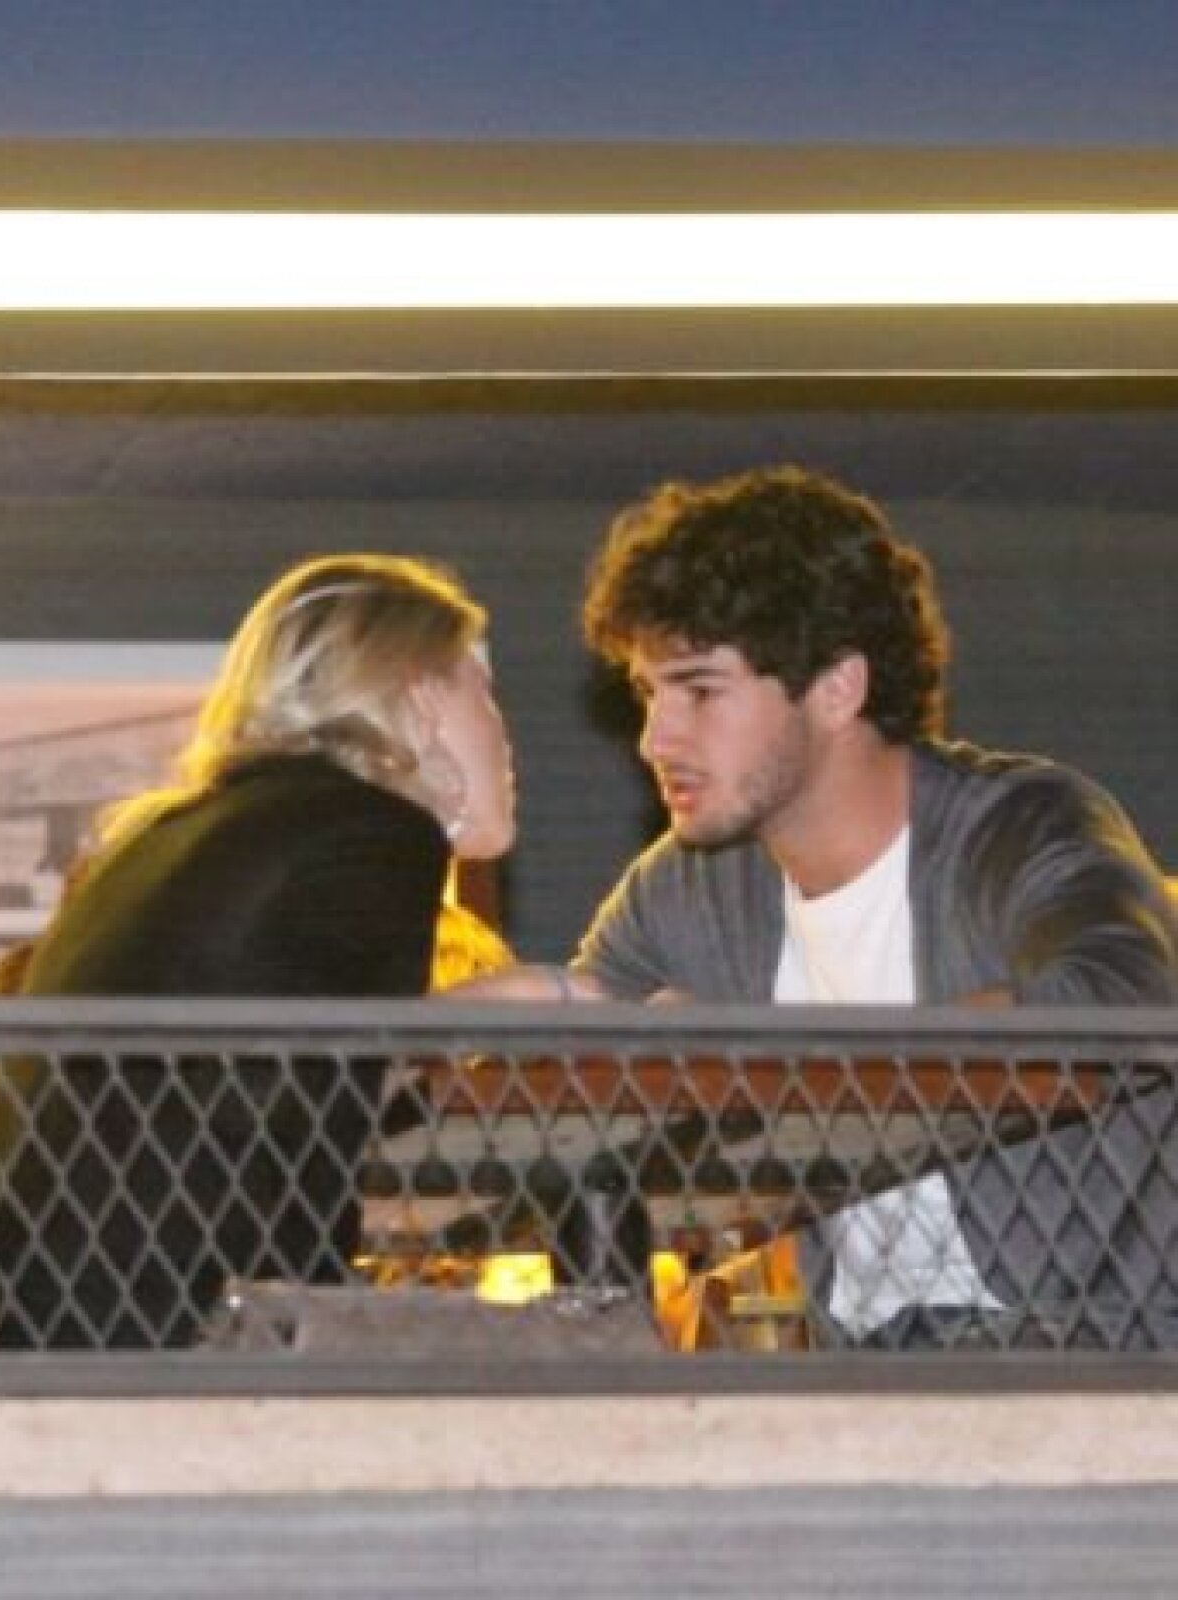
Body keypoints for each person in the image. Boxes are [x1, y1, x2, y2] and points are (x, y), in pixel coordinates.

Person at [462, 464, 1178, 1348]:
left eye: (700, 691)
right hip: (874, 1363)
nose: (655, 738)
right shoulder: (690, 885)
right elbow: (588, 1043)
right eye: (648, 694)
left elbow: (1124, 1003)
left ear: (839, 687)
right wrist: (469, 1020)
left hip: (1101, 1353)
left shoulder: (1022, 828)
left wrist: (788, 1064)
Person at [0, 552, 514, 1348]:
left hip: (57, 1301)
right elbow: (319, 1088)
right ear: (419, 693)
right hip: (194, 1316)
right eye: (483, 691)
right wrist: (519, 1002)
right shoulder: (374, 829)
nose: (503, 730)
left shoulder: (164, 833)